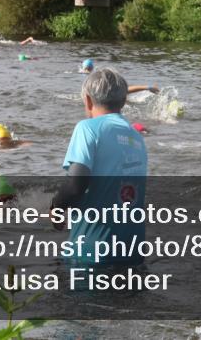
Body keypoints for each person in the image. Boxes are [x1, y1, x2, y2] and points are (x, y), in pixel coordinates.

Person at [49, 68, 148, 265]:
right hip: (133, 251)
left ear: (87, 100)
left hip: (93, 252)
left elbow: (76, 185)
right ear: (123, 101)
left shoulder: (87, 128)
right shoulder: (137, 138)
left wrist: (56, 207)